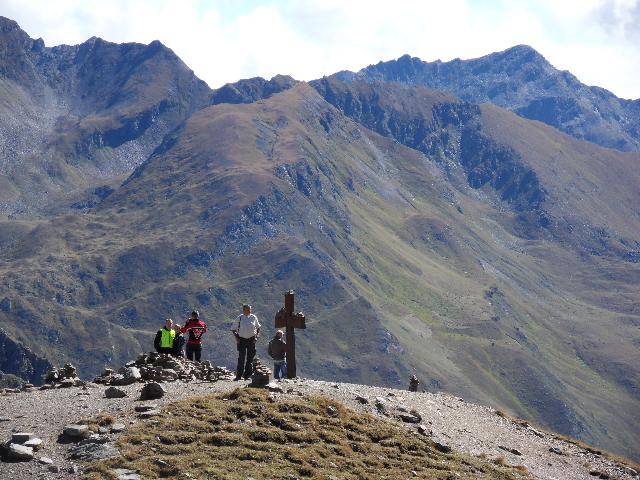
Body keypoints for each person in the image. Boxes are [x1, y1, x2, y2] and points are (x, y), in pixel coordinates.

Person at [232, 304, 261, 380]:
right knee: (241, 358)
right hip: (242, 340)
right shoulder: (240, 318)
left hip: (252, 340)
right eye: (248, 310)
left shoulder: (253, 317)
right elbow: (233, 329)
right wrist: (237, 338)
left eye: (250, 309)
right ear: (244, 310)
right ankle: (238, 376)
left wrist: (256, 338)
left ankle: (247, 376)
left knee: (250, 358)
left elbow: (258, 328)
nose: (249, 311)